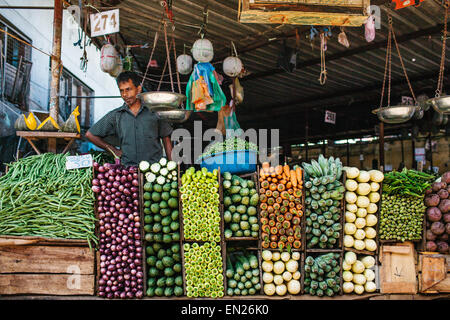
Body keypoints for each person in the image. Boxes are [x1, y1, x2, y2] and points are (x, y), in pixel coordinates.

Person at [85, 71, 173, 166]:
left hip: (154, 170)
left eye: (128, 89)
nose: (124, 95)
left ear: (138, 89)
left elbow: (166, 139)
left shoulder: (155, 112)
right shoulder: (116, 115)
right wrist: (113, 150)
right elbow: (90, 134)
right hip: (128, 173)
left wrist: (173, 166)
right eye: (121, 90)